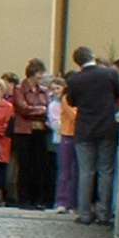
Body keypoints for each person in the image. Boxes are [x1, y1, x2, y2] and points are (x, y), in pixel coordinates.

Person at [65, 45, 119, 226]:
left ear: (78, 62)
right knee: (106, 171)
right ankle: (103, 214)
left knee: (86, 172)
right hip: (107, 128)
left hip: (84, 130)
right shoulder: (109, 74)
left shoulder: (76, 79)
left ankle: (84, 213)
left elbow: (71, 101)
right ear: (92, 56)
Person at [11, 60, 50, 209]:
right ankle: (24, 199)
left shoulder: (43, 90)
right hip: (24, 131)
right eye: (39, 76)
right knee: (25, 166)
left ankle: (37, 199)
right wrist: (39, 110)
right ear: (32, 75)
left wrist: (38, 110)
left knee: (39, 166)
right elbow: (23, 109)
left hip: (40, 131)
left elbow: (48, 107)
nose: (41, 80)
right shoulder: (20, 89)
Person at [52, 77, 78, 214]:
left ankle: (73, 203)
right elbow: (74, 115)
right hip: (68, 134)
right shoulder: (66, 98)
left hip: (78, 136)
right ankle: (62, 201)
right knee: (65, 171)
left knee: (76, 172)